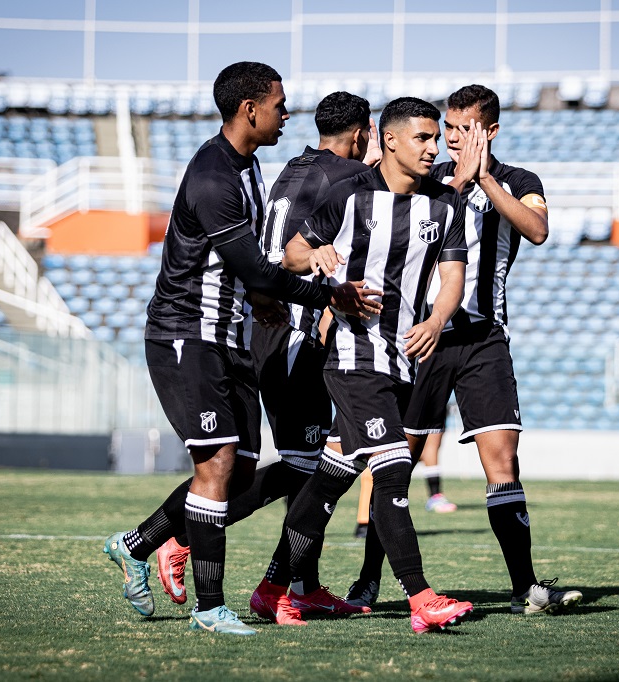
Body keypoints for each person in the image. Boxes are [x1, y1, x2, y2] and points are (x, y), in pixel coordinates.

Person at [102, 63, 380, 637]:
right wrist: (330, 294)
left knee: (240, 469)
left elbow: (249, 268)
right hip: (187, 334)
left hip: (234, 334)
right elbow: (256, 265)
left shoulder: (252, 167)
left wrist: (262, 296)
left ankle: (138, 544)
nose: (287, 113)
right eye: (280, 103)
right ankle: (210, 608)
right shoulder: (213, 177)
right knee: (219, 464)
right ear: (250, 109)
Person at [344, 85, 583, 617]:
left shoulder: (520, 182)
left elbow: (537, 230)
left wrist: (483, 181)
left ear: (489, 131)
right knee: (393, 466)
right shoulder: (427, 181)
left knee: (502, 461)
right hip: (421, 338)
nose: (450, 139)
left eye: (462, 129)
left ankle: (526, 588)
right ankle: (367, 581)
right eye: (446, 129)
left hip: (483, 340)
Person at [250, 97, 475, 634]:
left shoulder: (444, 205)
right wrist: (321, 261)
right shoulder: (347, 196)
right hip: (352, 357)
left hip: (402, 357)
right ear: (389, 140)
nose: (432, 147)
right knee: (394, 467)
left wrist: (437, 320)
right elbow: (293, 255)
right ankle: (422, 599)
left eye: (434, 138)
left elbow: (453, 277)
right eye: (422, 137)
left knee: (330, 479)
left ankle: (272, 589)